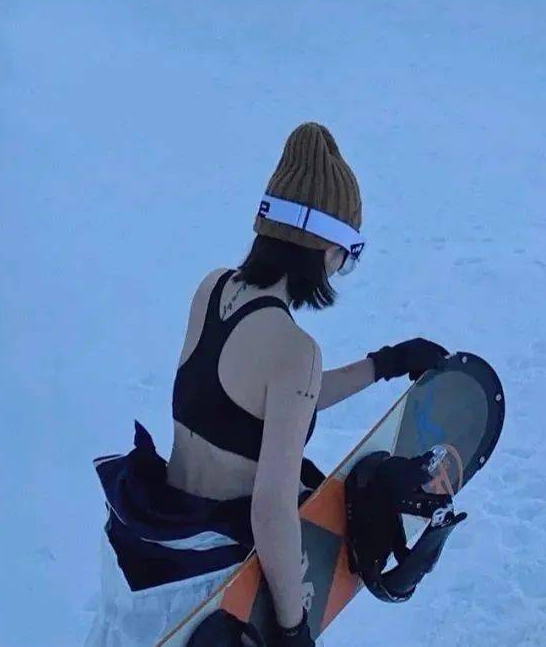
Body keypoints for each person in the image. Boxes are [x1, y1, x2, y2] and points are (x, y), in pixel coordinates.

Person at [88, 123, 448, 647]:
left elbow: (261, 405)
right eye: (349, 250)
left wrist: (384, 363)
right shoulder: (293, 351)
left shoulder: (212, 291)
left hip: (157, 547)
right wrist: (291, 624)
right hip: (221, 582)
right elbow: (272, 507)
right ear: (324, 245)